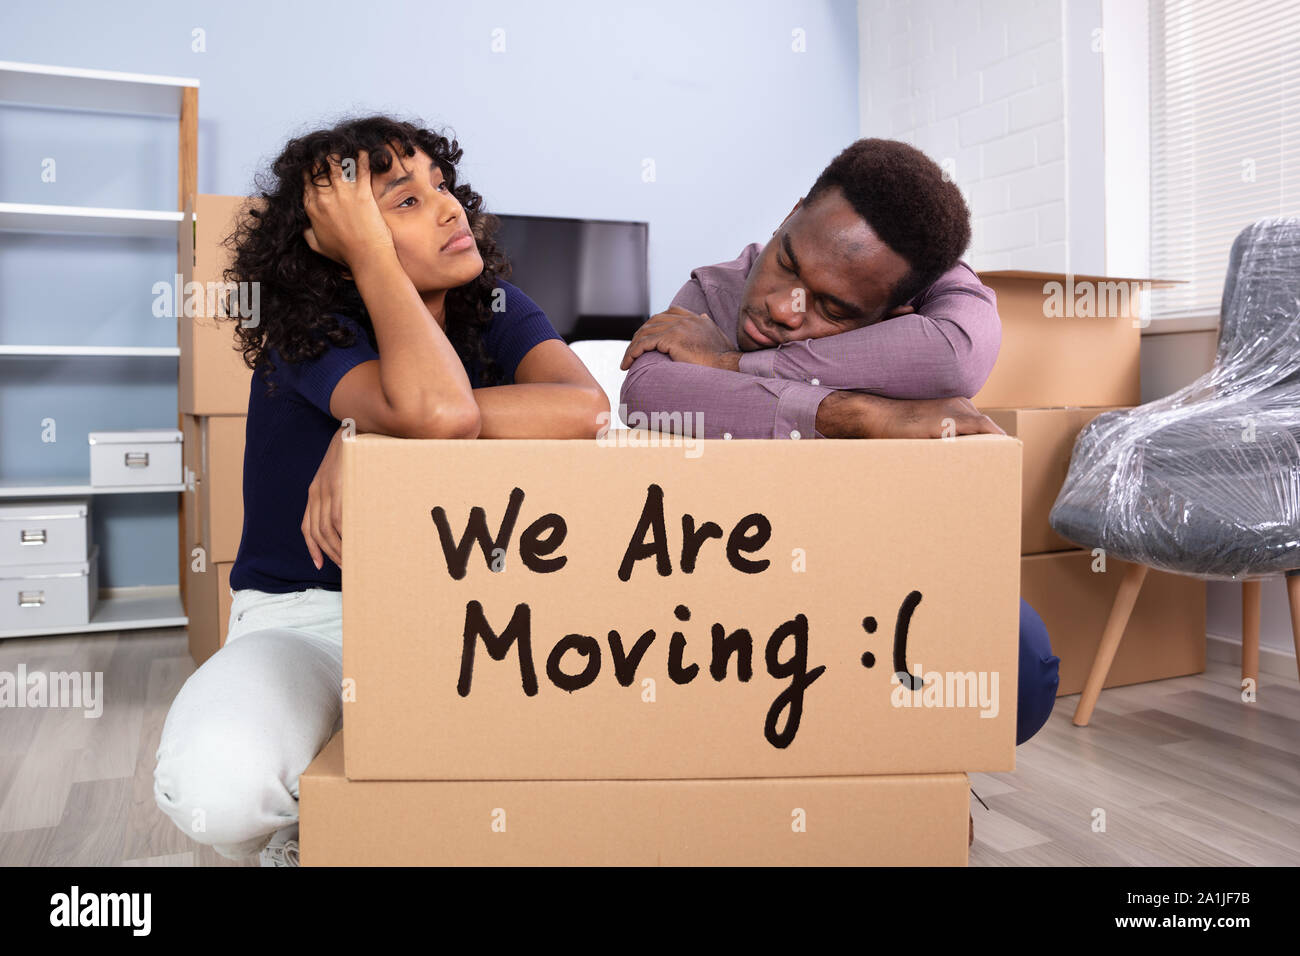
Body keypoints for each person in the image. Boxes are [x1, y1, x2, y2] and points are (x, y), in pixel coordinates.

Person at [153, 116, 608, 866]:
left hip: (464, 620)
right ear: (334, 240)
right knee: (218, 781)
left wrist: (370, 433)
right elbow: (438, 411)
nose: (448, 208)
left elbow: (585, 408)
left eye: (441, 186)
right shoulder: (311, 330)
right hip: (310, 623)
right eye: (402, 202)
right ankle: (314, 820)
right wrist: (373, 266)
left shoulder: (493, 308)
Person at [618, 138, 1061, 829]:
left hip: (890, 561)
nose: (785, 309)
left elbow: (958, 356)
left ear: (897, 311)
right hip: (748, 565)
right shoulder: (715, 288)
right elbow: (647, 390)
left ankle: (917, 758)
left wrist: (730, 364)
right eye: (788, 264)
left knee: (1022, 672)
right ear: (791, 216)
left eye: (833, 309)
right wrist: (849, 412)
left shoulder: (932, 287)